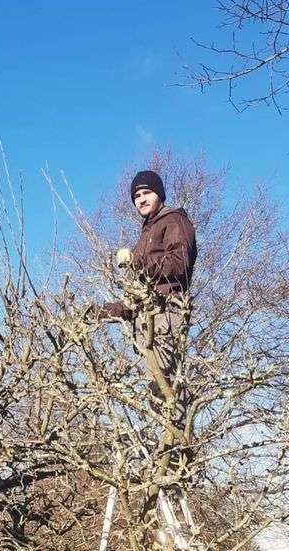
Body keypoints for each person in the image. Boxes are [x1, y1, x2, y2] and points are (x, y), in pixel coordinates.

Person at [102, 170, 197, 435]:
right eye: (136, 196)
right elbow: (143, 292)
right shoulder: (148, 230)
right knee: (158, 392)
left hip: (166, 314)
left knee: (169, 389)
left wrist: (137, 260)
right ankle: (165, 451)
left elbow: (179, 265)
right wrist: (104, 311)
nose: (141, 199)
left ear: (160, 194)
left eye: (146, 193)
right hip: (150, 317)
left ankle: (178, 450)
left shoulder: (174, 221)